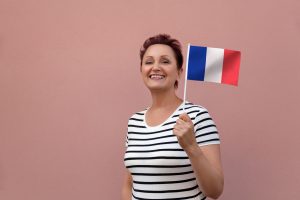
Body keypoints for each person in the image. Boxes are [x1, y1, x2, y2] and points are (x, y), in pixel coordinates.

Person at [122, 34, 224, 200]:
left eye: (165, 61)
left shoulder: (197, 116)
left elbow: (215, 190)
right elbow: (129, 185)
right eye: (149, 62)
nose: (155, 67)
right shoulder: (134, 122)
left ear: (179, 72)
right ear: (141, 70)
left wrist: (191, 147)